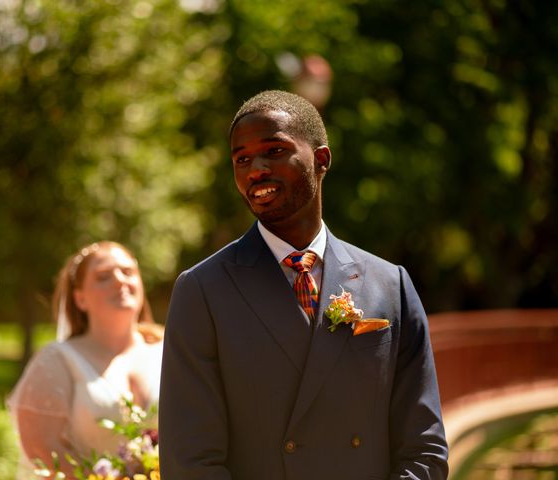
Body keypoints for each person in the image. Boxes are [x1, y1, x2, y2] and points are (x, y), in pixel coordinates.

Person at [159, 90, 448, 479]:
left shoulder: (390, 284)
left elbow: (425, 447)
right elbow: (190, 461)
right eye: (241, 159)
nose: (255, 169)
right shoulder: (202, 290)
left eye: (274, 151)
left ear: (321, 160)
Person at [9, 241, 163, 478]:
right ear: (80, 299)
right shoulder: (57, 360)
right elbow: (42, 449)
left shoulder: (169, 350)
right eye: (103, 277)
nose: (120, 280)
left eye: (128, 272)